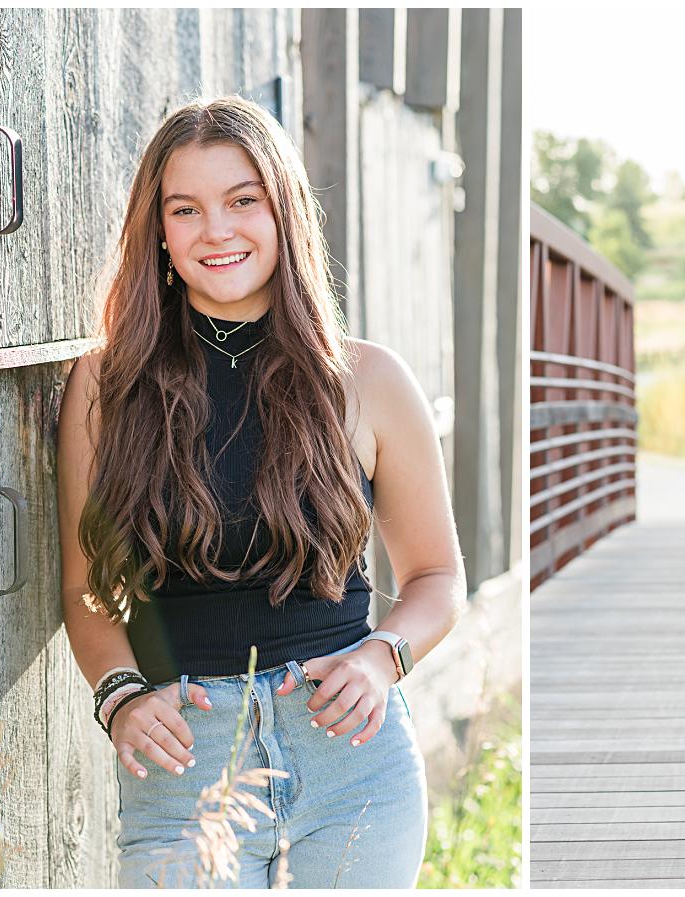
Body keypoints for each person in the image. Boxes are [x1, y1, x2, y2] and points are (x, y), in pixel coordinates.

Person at [57, 96, 465, 888]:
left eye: (244, 200)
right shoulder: (106, 387)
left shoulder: (367, 380)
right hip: (185, 760)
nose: (217, 230)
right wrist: (121, 697)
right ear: (160, 234)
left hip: (353, 757)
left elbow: (437, 579)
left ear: (283, 212)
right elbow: (83, 589)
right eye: (187, 209)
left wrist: (382, 661)